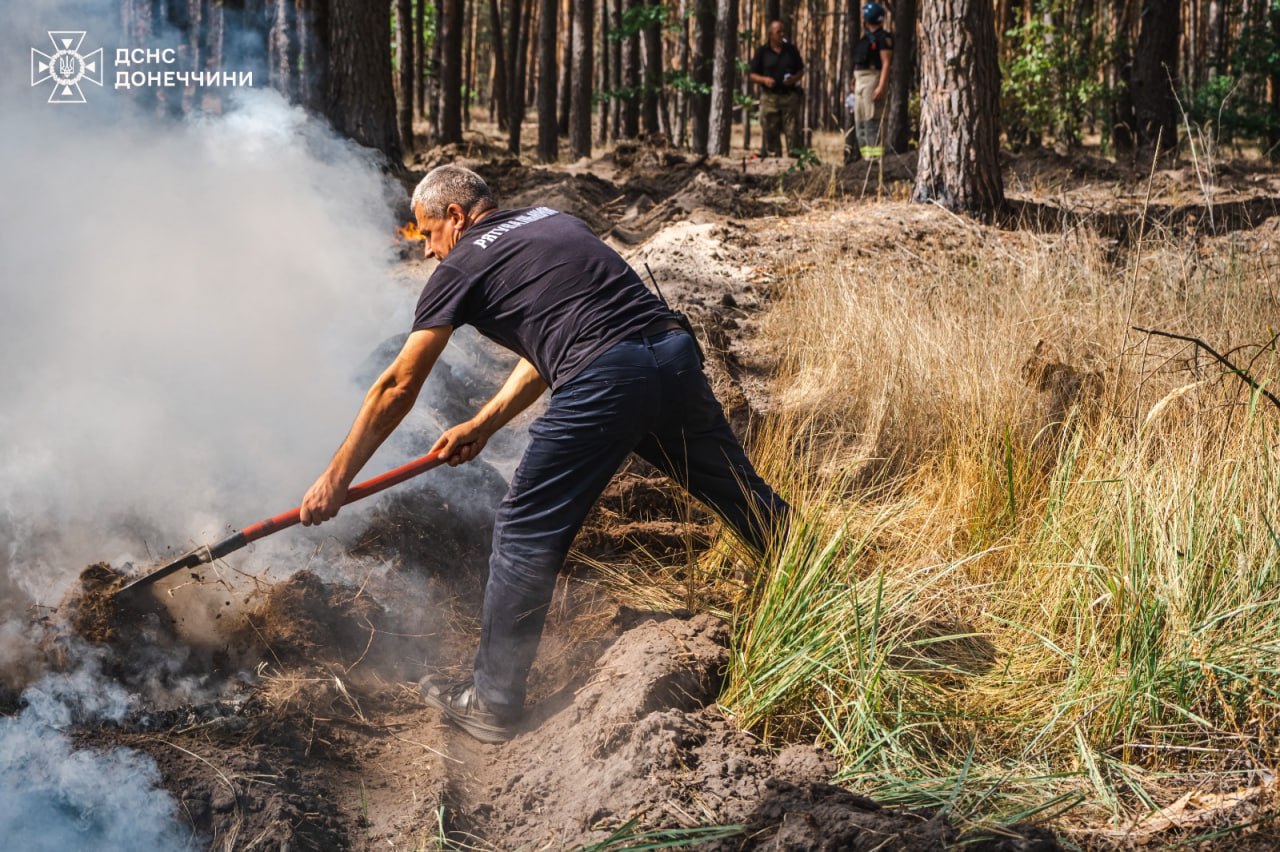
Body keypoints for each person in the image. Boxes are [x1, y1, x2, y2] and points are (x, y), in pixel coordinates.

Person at [299, 165, 789, 744]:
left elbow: (397, 387)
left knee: (524, 528)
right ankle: (822, 584)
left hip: (607, 379)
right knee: (739, 494)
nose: (429, 252)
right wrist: (483, 423)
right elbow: (554, 341)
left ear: (455, 216)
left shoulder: (461, 261)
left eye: (426, 233)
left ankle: (492, 700)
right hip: (672, 355)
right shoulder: (552, 222)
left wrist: (335, 478)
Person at [748, 20, 805, 158]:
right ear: (770, 34)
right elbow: (752, 75)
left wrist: (793, 79)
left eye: (783, 31)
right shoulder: (762, 52)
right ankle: (774, 160)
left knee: (793, 131)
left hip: (789, 97)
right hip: (769, 98)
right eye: (778, 32)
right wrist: (764, 80)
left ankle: (795, 160)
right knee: (770, 131)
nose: (782, 34)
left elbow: (801, 71)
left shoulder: (791, 50)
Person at [850, 2, 893, 157]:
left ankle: (875, 159)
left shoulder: (883, 38)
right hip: (860, 79)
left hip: (873, 79)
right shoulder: (865, 38)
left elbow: (886, 63)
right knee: (860, 120)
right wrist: (854, 78)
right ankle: (865, 158)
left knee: (872, 119)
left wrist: (881, 86)